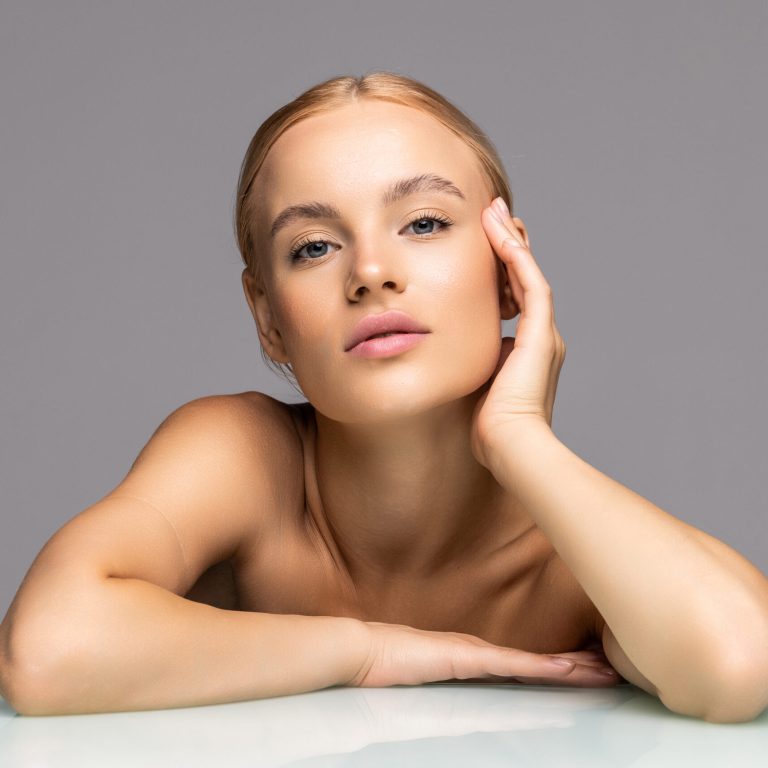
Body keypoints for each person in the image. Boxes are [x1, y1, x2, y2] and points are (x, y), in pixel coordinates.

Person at [1, 72, 766, 723]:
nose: (371, 271)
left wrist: (521, 437)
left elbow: (738, 665)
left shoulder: (578, 557)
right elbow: (47, 652)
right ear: (268, 317)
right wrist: (369, 649)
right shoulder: (241, 454)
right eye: (314, 247)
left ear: (509, 269)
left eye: (424, 223)